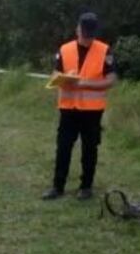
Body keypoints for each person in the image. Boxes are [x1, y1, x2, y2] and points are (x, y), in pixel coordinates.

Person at [42, 12, 118, 201]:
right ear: (77, 30)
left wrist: (83, 84)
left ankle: (86, 187)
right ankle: (57, 186)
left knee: (90, 149)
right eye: (84, 34)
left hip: (92, 111)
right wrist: (62, 79)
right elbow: (55, 74)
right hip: (68, 108)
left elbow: (111, 80)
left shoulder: (104, 50)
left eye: (90, 35)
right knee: (63, 147)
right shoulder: (65, 49)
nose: (87, 39)